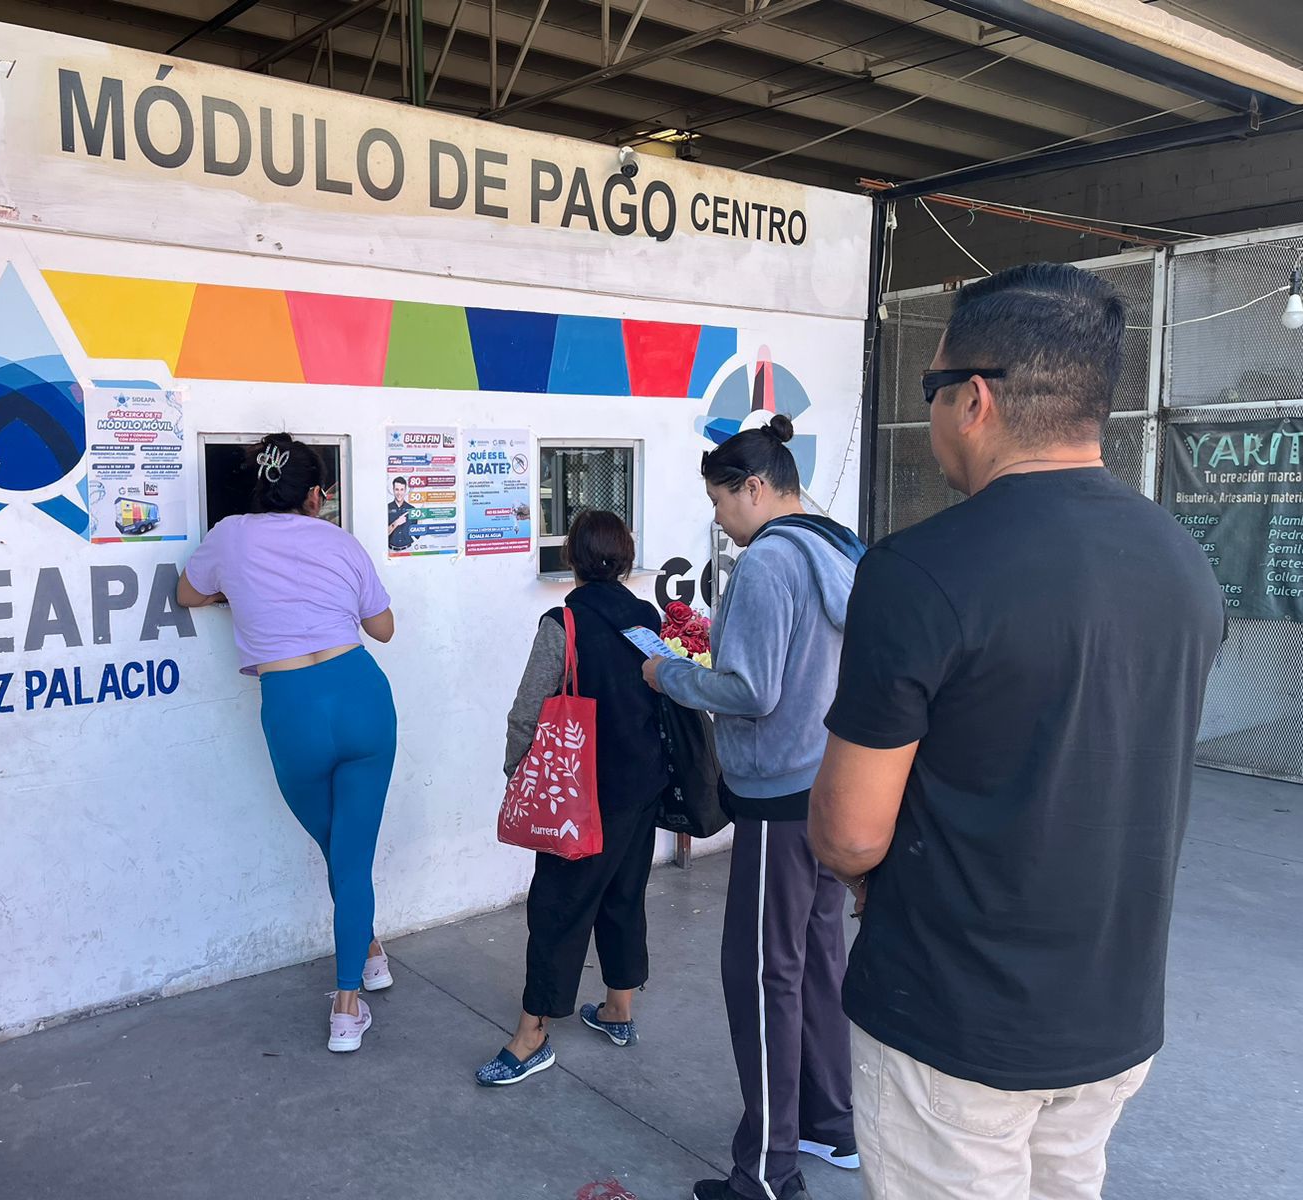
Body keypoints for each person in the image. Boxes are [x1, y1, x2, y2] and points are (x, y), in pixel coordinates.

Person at [811, 263, 1225, 1200]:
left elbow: (847, 833)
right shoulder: (1183, 561)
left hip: (954, 1024)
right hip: (1113, 1018)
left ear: (974, 399)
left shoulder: (921, 572)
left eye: (932, 391)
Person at [642, 417, 865, 1200]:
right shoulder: (837, 545)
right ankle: (830, 1124)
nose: (717, 517)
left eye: (719, 500)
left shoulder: (769, 563)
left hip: (779, 797)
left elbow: (752, 691)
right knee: (819, 963)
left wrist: (669, 675)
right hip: (835, 783)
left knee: (763, 974)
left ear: (755, 487)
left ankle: (768, 1170)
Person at [178, 434, 399, 1053]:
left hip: (292, 708)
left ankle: (352, 996)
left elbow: (188, 594)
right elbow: (383, 629)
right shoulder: (341, 541)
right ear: (314, 495)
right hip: (360, 697)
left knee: (339, 850)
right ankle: (364, 971)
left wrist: (242, 592)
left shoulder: (229, 535)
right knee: (348, 855)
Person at [476, 510, 670, 1087]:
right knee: (624, 893)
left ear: (573, 559)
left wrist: (520, 770)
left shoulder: (564, 622)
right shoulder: (644, 616)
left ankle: (531, 1037)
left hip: (580, 793)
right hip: (641, 784)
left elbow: (528, 707)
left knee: (558, 909)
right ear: (626, 558)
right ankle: (618, 1009)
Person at [387, 476, 417, 552]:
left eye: (401, 489)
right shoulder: (386, 508)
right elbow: (383, 534)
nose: (399, 493)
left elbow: (417, 535)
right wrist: (396, 523)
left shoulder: (412, 509)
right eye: (397, 489)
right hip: (391, 550)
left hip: (408, 550)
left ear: (405, 490)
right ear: (393, 490)